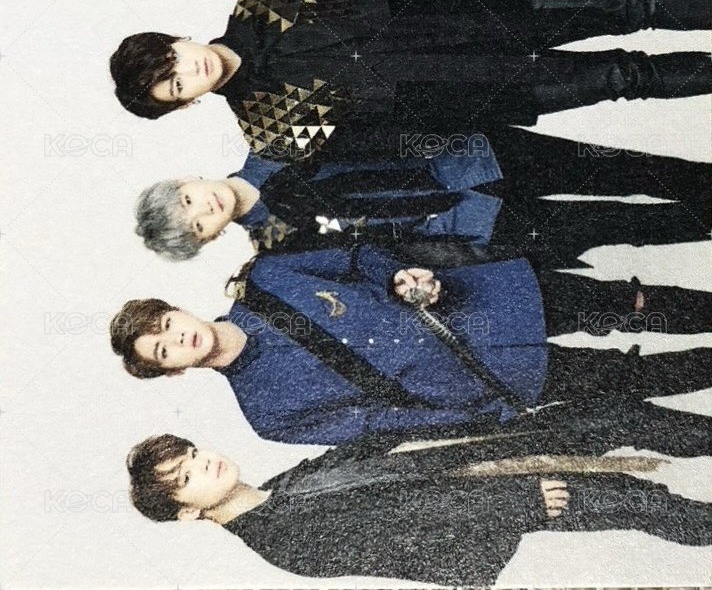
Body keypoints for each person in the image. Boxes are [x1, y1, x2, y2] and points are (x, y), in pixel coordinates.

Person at [109, 243, 712, 443]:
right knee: (631, 378)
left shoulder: (268, 276)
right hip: (487, 380)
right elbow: (381, 426)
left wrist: (398, 275)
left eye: (166, 323)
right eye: (163, 350)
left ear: (175, 308)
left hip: (480, 301)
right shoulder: (269, 416)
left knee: (631, 303)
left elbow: (356, 258)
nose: (177, 337)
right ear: (174, 372)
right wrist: (480, 413)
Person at [107, 0, 711, 160]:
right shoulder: (267, 130)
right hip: (473, 91)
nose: (190, 72)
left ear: (178, 37)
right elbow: (382, 143)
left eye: (174, 60)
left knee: (629, 3)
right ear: (184, 103)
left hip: (474, 11)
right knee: (627, 76)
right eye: (175, 86)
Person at [125, 409, 712, 585]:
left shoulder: (278, 489)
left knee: (623, 442)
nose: (204, 462)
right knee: (646, 505)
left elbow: (369, 447)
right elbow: (407, 528)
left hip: (485, 470)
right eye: (186, 476)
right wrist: (520, 504)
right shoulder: (280, 539)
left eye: (192, 453)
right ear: (189, 512)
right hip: (503, 506)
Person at [132, 142, 712, 268]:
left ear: (188, 177)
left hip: (471, 155)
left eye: (189, 198)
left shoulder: (272, 140)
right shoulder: (277, 246)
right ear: (209, 238)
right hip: (470, 226)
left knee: (621, 166)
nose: (206, 207)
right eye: (198, 224)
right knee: (622, 223)